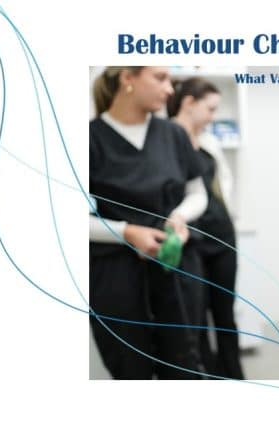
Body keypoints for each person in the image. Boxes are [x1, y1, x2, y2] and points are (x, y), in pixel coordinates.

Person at [89, 66, 208, 379]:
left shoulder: (173, 134)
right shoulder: (89, 139)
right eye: (160, 78)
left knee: (185, 364)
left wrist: (180, 215)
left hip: (177, 267)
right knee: (131, 368)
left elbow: (198, 194)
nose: (170, 89)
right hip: (115, 272)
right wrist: (126, 232)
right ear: (127, 77)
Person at [167, 77, 245, 379]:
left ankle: (235, 377)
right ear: (189, 102)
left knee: (226, 314)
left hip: (222, 235)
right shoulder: (165, 137)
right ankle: (207, 379)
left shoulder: (210, 141)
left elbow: (221, 185)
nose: (213, 116)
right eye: (210, 108)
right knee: (196, 318)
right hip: (191, 241)